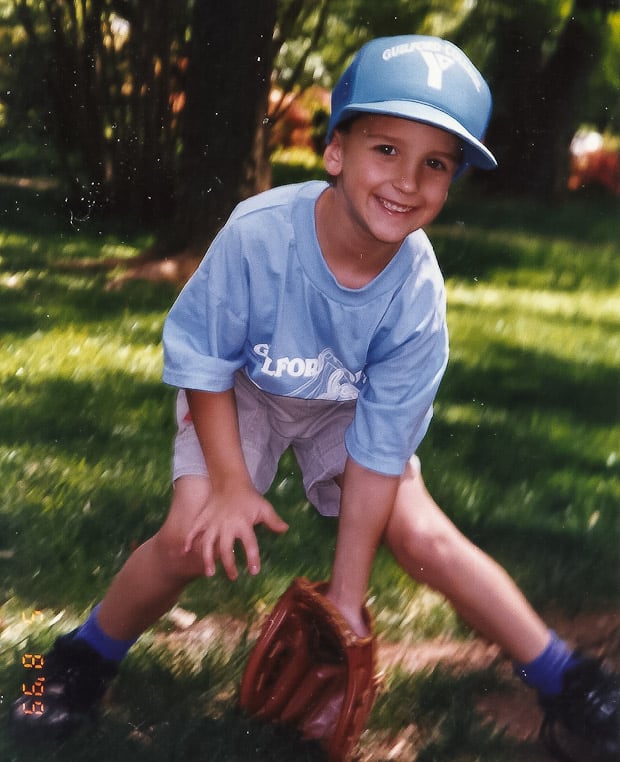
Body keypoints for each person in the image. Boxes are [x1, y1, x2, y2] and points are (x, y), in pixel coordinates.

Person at [9, 34, 619, 760]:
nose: (407, 180)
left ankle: (565, 680)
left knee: (425, 538)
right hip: (241, 391)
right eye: (385, 149)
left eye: (435, 164)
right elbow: (202, 363)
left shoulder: (418, 292)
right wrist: (231, 486)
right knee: (189, 537)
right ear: (336, 151)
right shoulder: (258, 233)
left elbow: (381, 446)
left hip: (344, 407)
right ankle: (74, 660)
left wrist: (347, 599)